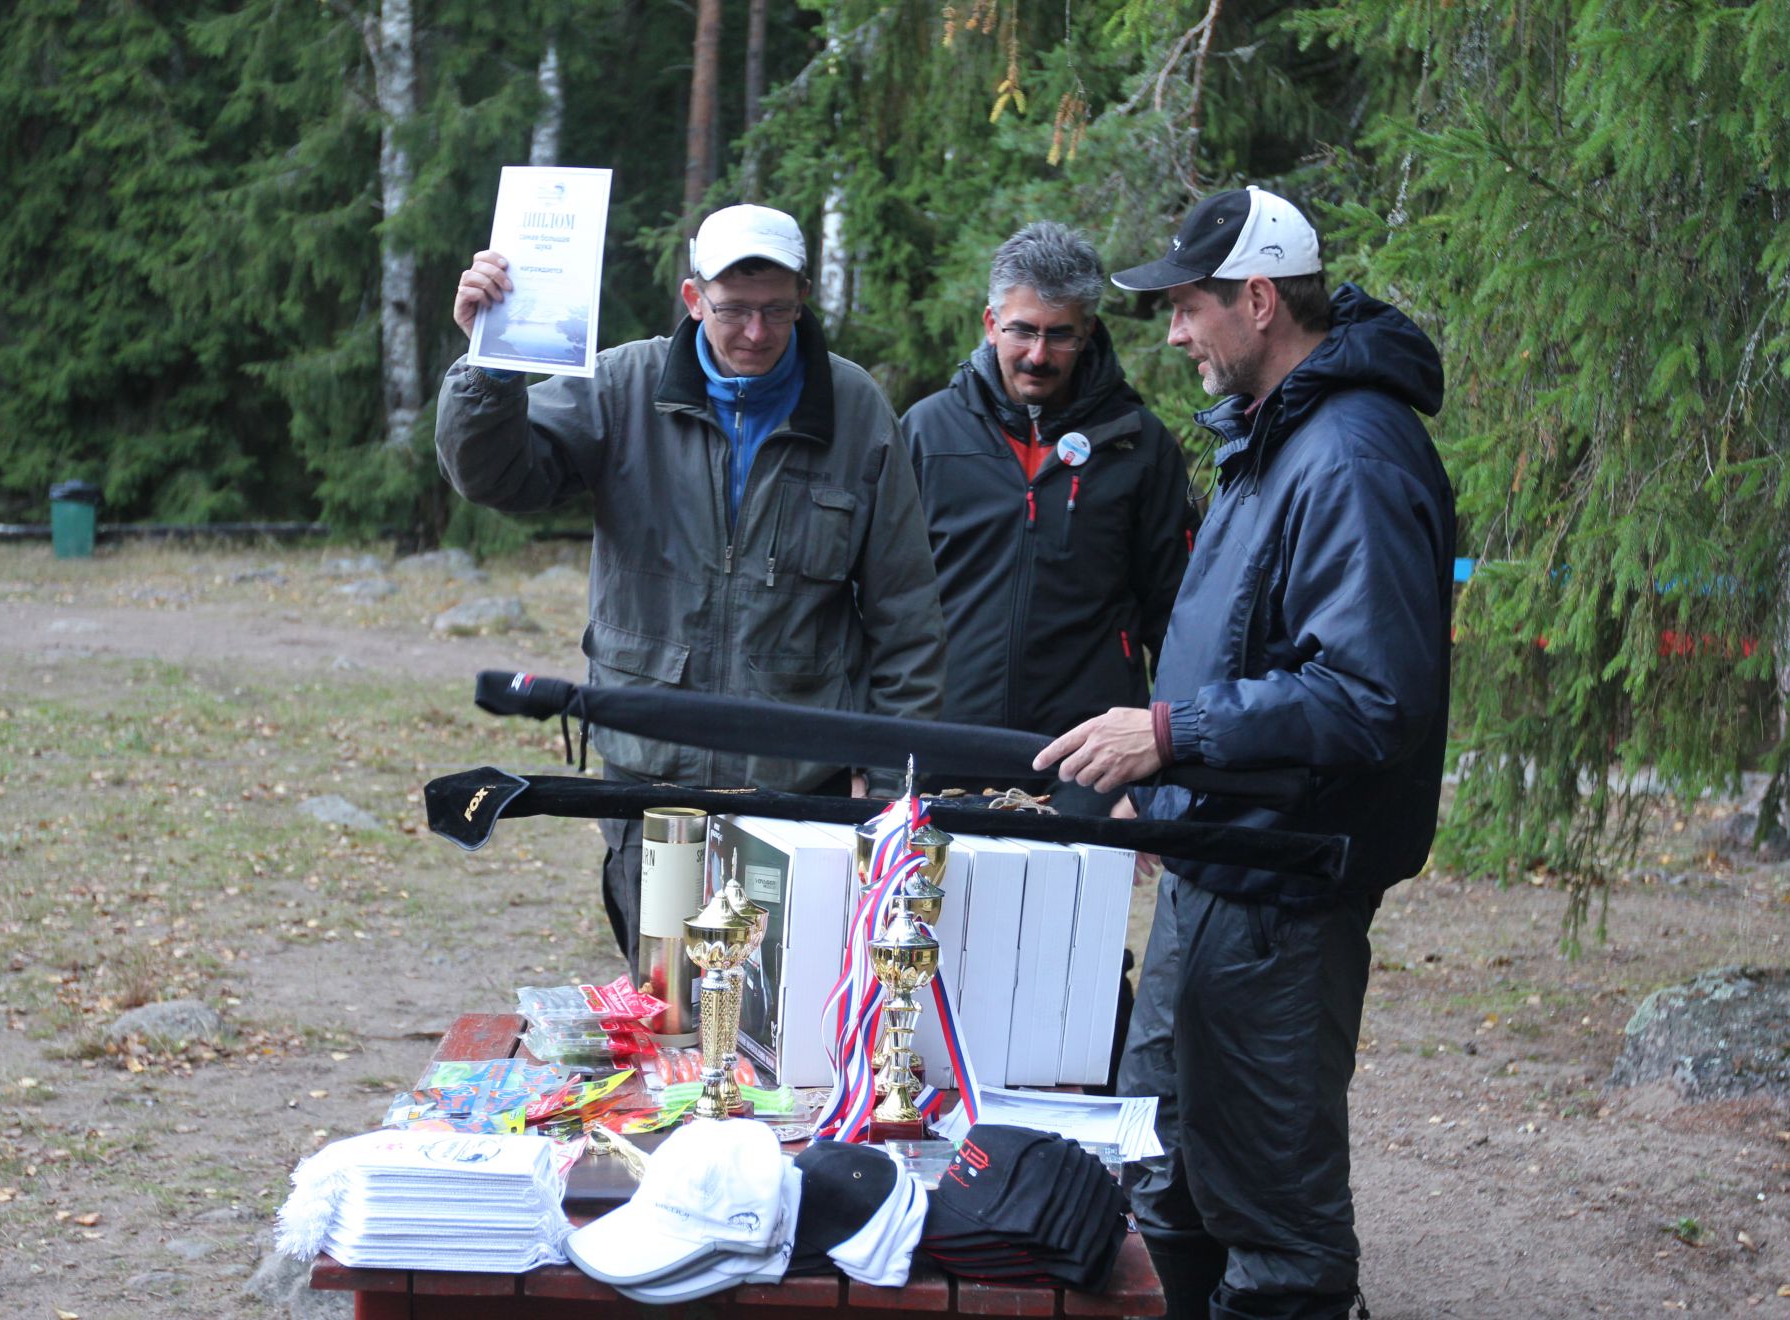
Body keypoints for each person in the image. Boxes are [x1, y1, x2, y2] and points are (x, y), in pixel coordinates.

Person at [1034, 186, 1456, 1320]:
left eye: (1188, 306)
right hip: (1212, 865)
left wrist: (1170, 736)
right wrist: (1168, 785)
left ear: (1258, 299)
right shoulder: (1271, 435)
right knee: (1162, 1171)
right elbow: (1241, 641)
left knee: (1276, 1226)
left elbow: (1371, 697)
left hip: (1284, 895)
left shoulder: (1354, 455)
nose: (1175, 333)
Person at [437, 203, 946, 972]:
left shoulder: (855, 409)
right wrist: (490, 362)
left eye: (777, 309)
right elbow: (498, 478)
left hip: (797, 794)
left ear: (804, 299)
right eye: (734, 309)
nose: (756, 332)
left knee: (789, 1010)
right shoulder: (623, 386)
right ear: (693, 298)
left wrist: (887, 798)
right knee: (669, 1008)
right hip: (650, 788)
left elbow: (906, 618)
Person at [900, 221, 1194, 815]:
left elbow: (1181, 621)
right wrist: (870, 759)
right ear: (991, 323)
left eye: (1060, 336)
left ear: (1088, 332)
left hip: (1089, 768)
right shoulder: (926, 434)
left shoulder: (1140, 446)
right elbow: (877, 605)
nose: (1038, 355)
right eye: (1022, 331)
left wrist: (1158, 777)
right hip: (935, 757)